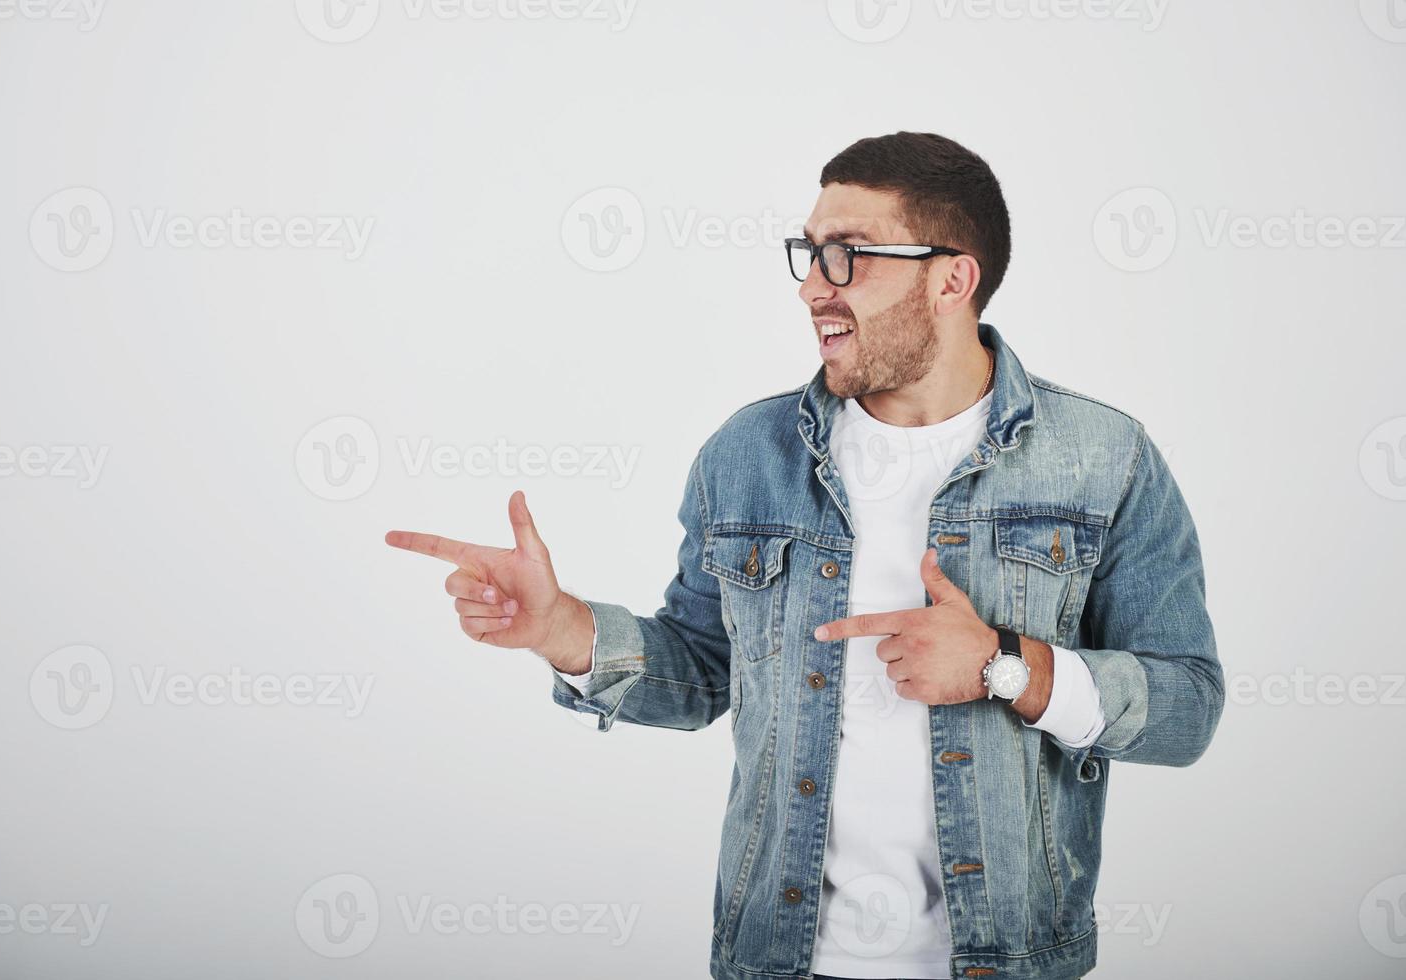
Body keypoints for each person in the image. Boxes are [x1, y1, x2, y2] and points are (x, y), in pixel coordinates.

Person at [385, 131, 1224, 980]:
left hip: (1006, 960)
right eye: (809, 254)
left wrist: (1006, 667)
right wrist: (564, 631)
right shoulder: (747, 454)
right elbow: (705, 673)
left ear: (951, 278)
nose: (811, 289)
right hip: (779, 959)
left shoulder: (1103, 458)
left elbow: (1187, 708)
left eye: (845, 256)